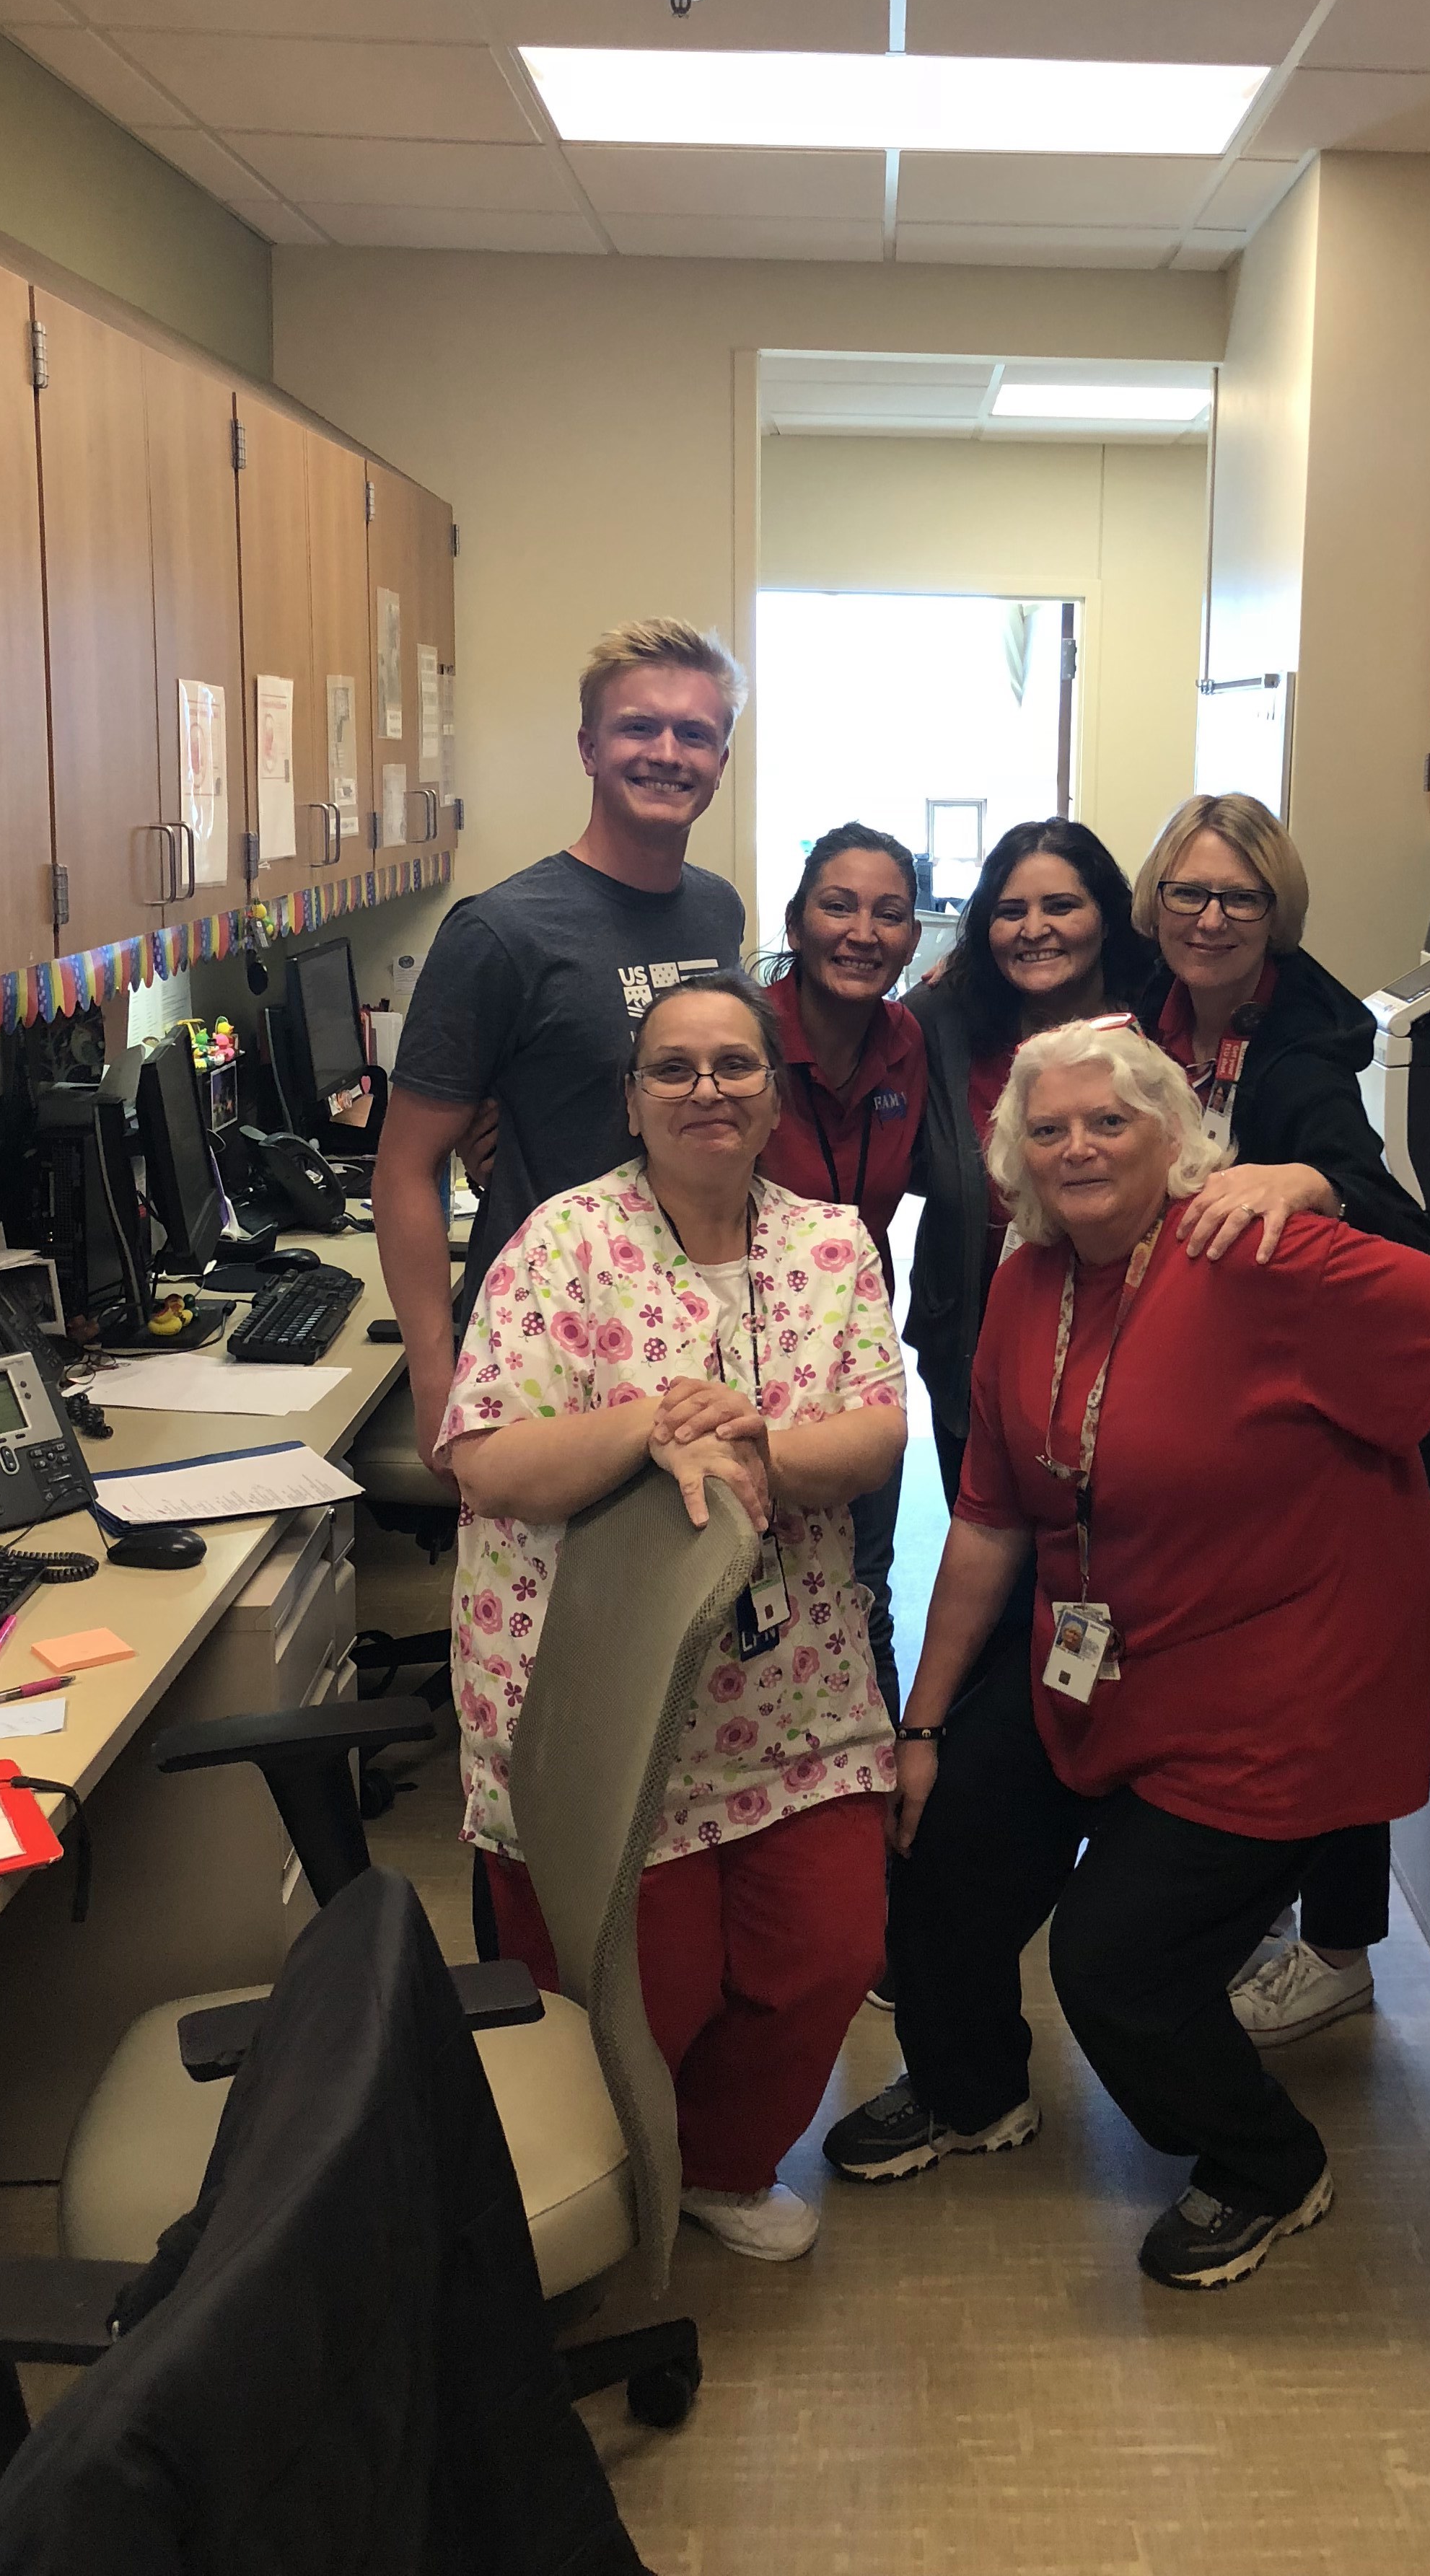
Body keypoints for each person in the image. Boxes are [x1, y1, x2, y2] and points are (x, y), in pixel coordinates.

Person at [822, 1019, 1430, 2291]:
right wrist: (918, 1726)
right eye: (1046, 1128)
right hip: (1098, 1654)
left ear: (1172, 1138)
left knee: (1111, 1960)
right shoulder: (1028, 1281)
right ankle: (971, 2092)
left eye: (1107, 1120)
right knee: (939, 1832)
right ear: (1012, 1159)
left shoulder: (1259, 1253)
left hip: (1281, 1682)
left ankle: (1264, 2164)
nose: (1075, 1145)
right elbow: (986, 1518)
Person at [441, 974, 908, 2267]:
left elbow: (874, 1435)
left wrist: (757, 1434)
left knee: (824, 1948)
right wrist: (649, 1426)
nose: (707, 1089)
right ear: (630, 1098)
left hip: (790, 1683)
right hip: (591, 1686)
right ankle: (603, 2190)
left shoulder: (831, 1245)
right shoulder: (556, 1242)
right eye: (673, 1068)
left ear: (772, 1095)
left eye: (734, 1066)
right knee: (643, 1986)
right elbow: (484, 1459)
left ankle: (715, 2164)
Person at [1131, 791, 1430, 2052]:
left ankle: (1336, 1948)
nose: (1209, 917)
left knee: (1335, 1678)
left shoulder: (1305, 1046)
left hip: (1374, 1417)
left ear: (1278, 914)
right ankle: (1260, 1899)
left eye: (1240, 898)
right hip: (1269, 1403)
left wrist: (1309, 1176)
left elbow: (1393, 1221)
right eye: (1188, 891)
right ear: (1154, 900)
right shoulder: (1157, 1003)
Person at [374, 617, 747, 1480]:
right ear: (588, 747)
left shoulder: (716, 911)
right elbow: (404, 1166)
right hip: (544, 1339)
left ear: (721, 761)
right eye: (637, 727)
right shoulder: (501, 932)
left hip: (689, 1334)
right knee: (536, 1606)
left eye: (696, 733)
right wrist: (438, 1382)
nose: (667, 752)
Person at [905, 817, 1153, 1509]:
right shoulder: (943, 1020)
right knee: (987, 1538)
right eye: (1010, 912)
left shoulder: (1160, 1016)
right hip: (976, 1343)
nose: (1033, 928)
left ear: (1106, 918)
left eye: (1061, 906)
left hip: (1134, 1347)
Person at [757, 822, 926, 1736]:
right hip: (740, 1367)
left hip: (857, 1366)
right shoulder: (740, 1045)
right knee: (743, 1608)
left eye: (889, 914)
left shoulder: (910, 1043)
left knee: (861, 1591)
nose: (864, 932)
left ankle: (876, 1827)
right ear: (796, 919)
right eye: (839, 905)